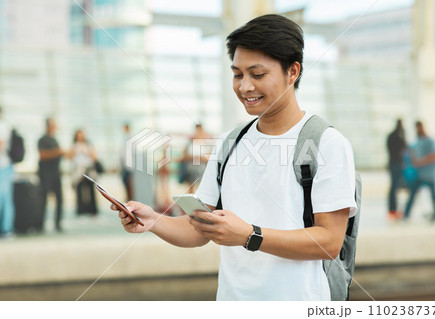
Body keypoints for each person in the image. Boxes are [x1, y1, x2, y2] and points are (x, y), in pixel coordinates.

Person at [111, 14, 357, 301]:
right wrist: (152, 220)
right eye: (238, 74)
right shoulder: (229, 143)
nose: (245, 87)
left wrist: (249, 235)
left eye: (258, 74)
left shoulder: (327, 143)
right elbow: (199, 230)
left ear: (293, 71)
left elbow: (328, 242)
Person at [403, 121, 435, 222]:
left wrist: (421, 162)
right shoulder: (417, 142)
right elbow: (413, 159)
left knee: (434, 196)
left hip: (429, 174)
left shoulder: (430, 141)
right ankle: (406, 215)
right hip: (419, 174)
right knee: (412, 195)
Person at [38, 117, 65, 232]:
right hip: (45, 175)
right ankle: (40, 225)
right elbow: (43, 155)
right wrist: (57, 152)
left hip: (56, 174)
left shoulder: (55, 140)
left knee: (59, 199)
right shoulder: (42, 140)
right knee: (43, 200)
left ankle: (58, 224)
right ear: (49, 125)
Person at [67, 129, 98, 216]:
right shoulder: (73, 146)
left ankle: (93, 211)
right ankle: (80, 211)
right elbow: (69, 157)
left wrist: (86, 151)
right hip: (78, 170)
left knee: (91, 190)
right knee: (79, 190)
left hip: (88, 169)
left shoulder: (88, 145)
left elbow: (95, 157)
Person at [177, 123, 212, 193]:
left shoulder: (207, 143)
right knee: (191, 187)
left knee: (201, 187)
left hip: (202, 168)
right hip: (191, 168)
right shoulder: (190, 143)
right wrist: (193, 157)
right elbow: (183, 156)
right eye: (196, 131)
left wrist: (199, 158)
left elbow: (209, 158)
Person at [386, 119, 406, 220]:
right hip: (397, 164)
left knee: (393, 187)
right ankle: (393, 210)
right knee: (395, 188)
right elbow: (402, 150)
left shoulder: (390, 136)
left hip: (392, 163)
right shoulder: (399, 136)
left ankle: (392, 210)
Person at [0, 107, 15, 238]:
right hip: (4, 166)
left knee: (4, 198)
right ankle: (6, 228)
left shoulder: (2, 126)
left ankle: (6, 228)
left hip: (3, 167)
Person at [120, 123, 134, 201]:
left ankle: (130, 198)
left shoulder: (130, 138)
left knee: (128, 182)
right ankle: (128, 197)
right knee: (125, 181)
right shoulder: (124, 138)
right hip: (124, 164)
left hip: (129, 165)